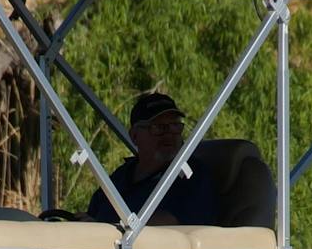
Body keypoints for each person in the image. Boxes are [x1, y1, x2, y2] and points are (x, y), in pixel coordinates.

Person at [87, 92, 220, 226]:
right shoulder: (120, 176)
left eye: (175, 125)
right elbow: (93, 214)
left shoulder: (191, 175)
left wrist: (109, 230)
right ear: (134, 136)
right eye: (158, 127)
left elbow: (173, 222)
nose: (169, 133)